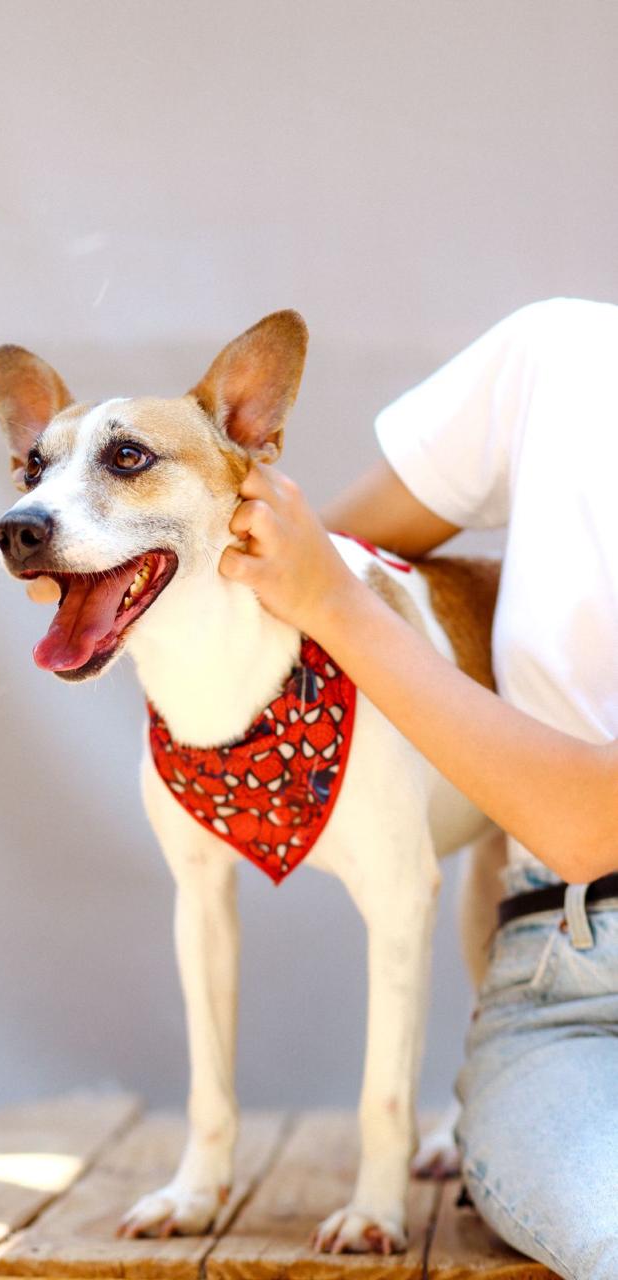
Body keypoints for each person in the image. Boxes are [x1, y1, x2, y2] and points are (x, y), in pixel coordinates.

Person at [219, 298, 618, 1280]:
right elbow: (289, 556)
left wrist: (337, 606)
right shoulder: (559, 354)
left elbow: (590, 823)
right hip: (573, 995)